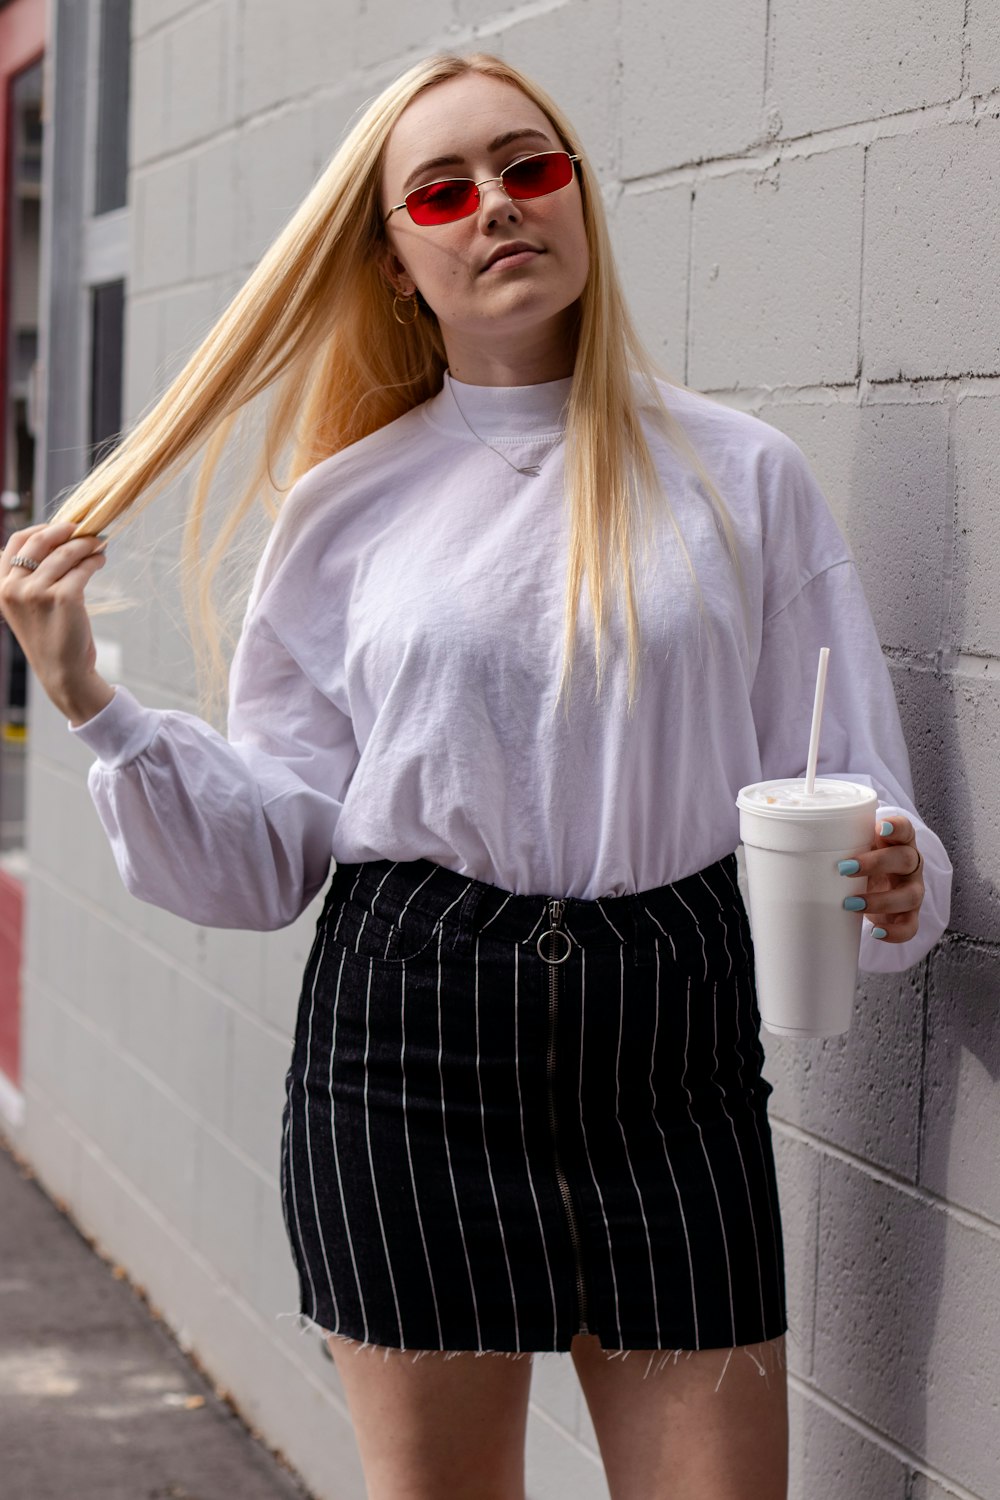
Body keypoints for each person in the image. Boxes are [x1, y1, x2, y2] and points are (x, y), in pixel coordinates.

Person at [0, 50, 950, 1500]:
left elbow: (846, 785)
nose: (497, 205)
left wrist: (899, 876)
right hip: (409, 1058)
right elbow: (275, 852)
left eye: (530, 166)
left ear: (579, 198)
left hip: (675, 1067)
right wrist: (93, 703)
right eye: (442, 191)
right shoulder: (347, 505)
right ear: (395, 264)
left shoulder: (742, 476)